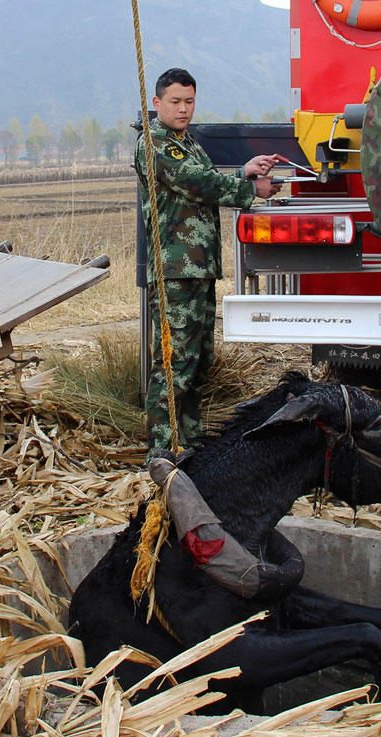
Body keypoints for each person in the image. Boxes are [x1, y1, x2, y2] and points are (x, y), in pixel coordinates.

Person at [135, 67, 280, 456]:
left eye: (189, 101)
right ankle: (163, 452)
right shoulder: (155, 143)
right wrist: (250, 188)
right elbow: (196, 183)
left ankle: (191, 444)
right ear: (157, 103)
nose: (183, 109)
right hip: (174, 271)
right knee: (173, 363)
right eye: (175, 102)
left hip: (198, 268)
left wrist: (244, 171)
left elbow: (202, 176)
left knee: (197, 363)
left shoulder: (188, 142)